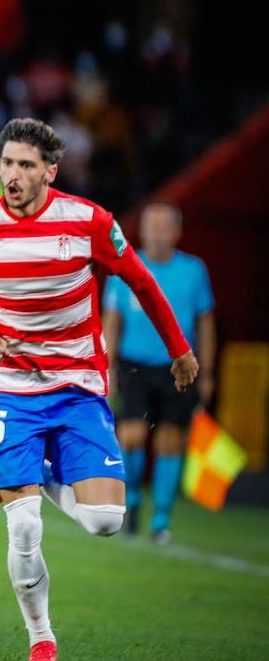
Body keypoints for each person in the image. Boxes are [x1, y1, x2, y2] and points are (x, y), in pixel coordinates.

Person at [0, 118, 197, 661]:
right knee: (23, 526)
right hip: (12, 387)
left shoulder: (88, 221)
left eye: (26, 166)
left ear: (50, 172)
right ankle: (42, 638)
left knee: (105, 522)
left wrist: (179, 349)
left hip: (78, 385)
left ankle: (35, 476)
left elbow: (141, 281)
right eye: (7, 163)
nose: (12, 175)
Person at [103, 202, 215, 543]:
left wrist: (207, 372)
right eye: (151, 225)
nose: (156, 232)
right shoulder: (126, 267)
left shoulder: (194, 270)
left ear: (176, 232)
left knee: (169, 442)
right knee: (132, 436)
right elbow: (112, 320)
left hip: (178, 367)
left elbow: (205, 322)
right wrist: (106, 368)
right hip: (135, 364)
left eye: (164, 226)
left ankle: (161, 520)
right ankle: (133, 501)